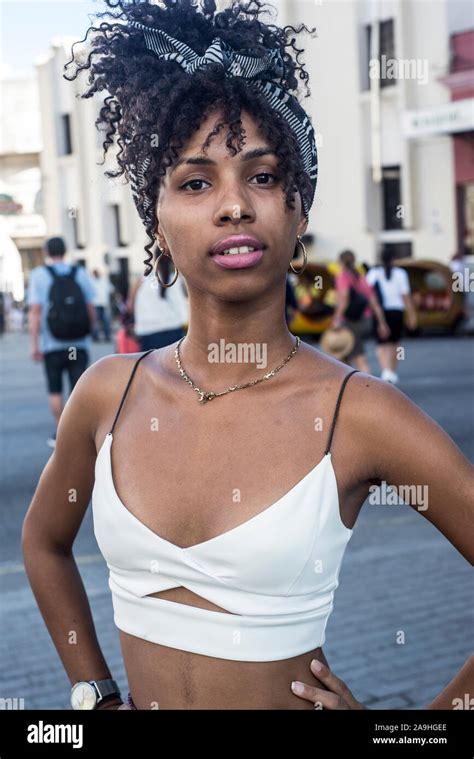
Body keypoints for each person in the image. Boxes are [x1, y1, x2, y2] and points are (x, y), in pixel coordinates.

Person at [22, 0, 473, 712]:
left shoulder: (360, 413)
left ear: (298, 211)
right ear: (159, 224)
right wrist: (92, 692)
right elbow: (44, 543)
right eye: (196, 182)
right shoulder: (108, 393)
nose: (233, 205)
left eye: (261, 176)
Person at [26, 236, 97, 447]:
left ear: (47, 252)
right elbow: (90, 306)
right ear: (65, 251)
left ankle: (61, 432)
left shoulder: (39, 275)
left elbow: (35, 312)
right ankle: (80, 432)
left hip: (52, 344)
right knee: (78, 388)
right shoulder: (79, 272)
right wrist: (90, 330)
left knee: (55, 389)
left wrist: (34, 344)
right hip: (78, 342)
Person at [366, 247, 417, 384]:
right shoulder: (401, 274)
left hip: (379, 312)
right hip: (396, 312)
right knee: (395, 343)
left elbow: (369, 295)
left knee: (381, 344)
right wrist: (412, 316)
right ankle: (392, 371)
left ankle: (385, 371)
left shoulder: (373, 273)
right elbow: (406, 297)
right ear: (393, 259)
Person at [332, 249, 389, 373]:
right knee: (344, 355)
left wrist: (336, 319)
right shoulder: (362, 277)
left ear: (341, 262)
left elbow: (344, 300)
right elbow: (374, 302)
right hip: (365, 320)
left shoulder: (342, 277)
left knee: (358, 357)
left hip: (350, 322)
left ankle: (367, 385)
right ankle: (351, 386)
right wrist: (381, 323)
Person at [127, 253, 189, 350]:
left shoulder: (140, 280)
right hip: (173, 330)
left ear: (154, 258)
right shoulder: (178, 279)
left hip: (147, 332)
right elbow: (189, 295)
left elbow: (130, 307)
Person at [91, 268, 113, 342]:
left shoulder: (104, 281)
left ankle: (107, 336)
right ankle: (95, 337)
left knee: (106, 321)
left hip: (104, 304)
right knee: (95, 322)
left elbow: (111, 290)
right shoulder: (91, 281)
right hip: (95, 304)